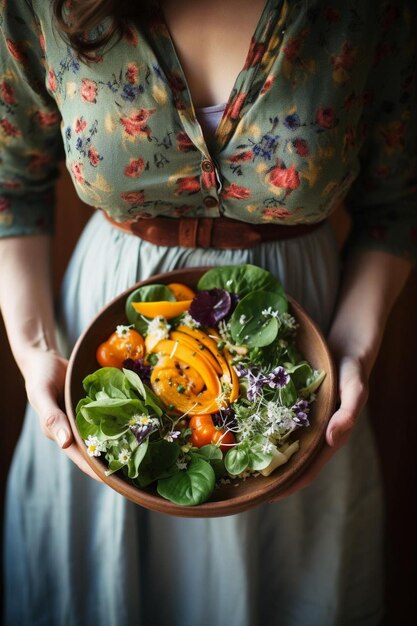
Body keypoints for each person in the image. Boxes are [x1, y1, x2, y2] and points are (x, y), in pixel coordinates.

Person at [1, 0, 416, 624]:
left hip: (297, 358)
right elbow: (10, 187)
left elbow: (398, 204)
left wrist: (354, 351)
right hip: (108, 345)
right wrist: (35, 354)